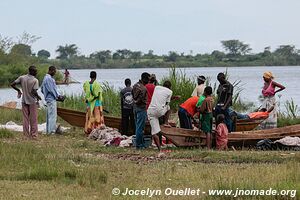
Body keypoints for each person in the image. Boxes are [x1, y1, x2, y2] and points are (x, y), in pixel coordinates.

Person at [11, 66, 41, 139]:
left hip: (24, 101)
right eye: (35, 71)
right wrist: (38, 97)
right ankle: (33, 135)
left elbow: (12, 84)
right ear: (32, 71)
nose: (36, 73)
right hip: (32, 101)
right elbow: (34, 91)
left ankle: (26, 135)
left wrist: (18, 90)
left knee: (25, 118)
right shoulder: (35, 80)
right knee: (33, 119)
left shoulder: (22, 77)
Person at [147, 81, 173, 151]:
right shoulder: (170, 92)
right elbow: (167, 103)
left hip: (150, 111)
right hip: (159, 112)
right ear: (170, 87)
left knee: (154, 132)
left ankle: (159, 149)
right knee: (168, 108)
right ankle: (166, 122)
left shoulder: (157, 87)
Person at [41, 66, 65, 134]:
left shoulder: (45, 78)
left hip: (48, 99)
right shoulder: (49, 79)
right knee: (52, 116)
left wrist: (46, 94)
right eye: (54, 71)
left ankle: (48, 131)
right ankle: (51, 131)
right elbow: (52, 90)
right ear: (51, 71)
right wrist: (58, 96)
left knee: (49, 116)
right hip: (51, 99)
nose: (55, 73)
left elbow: (42, 89)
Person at [132, 72, 150, 149]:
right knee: (140, 127)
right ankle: (139, 145)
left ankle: (140, 143)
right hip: (141, 108)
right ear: (144, 79)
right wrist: (139, 102)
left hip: (135, 108)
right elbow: (141, 99)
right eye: (148, 80)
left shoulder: (135, 85)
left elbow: (132, 94)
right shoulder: (143, 88)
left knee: (137, 126)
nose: (149, 81)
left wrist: (135, 102)